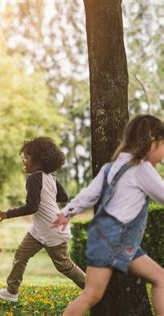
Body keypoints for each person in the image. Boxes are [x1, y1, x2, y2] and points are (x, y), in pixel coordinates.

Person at [52, 114, 164, 315]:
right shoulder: (141, 168)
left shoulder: (111, 168)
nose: (163, 154)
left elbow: (89, 195)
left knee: (160, 278)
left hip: (116, 241)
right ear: (151, 141)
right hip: (116, 240)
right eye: (163, 146)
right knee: (92, 295)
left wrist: (67, 212)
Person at [0, 137, 85, 302]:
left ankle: (94, 290)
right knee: (21, 255)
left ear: (38, 162)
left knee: (64, 265)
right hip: (40, 229)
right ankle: (12, 291)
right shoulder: (51, 178)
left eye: (26, 158)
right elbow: (64, 196)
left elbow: (31, 207)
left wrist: (7, 214)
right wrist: (47, 197)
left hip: (51, 229)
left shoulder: (34, 178)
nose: (24, 161)